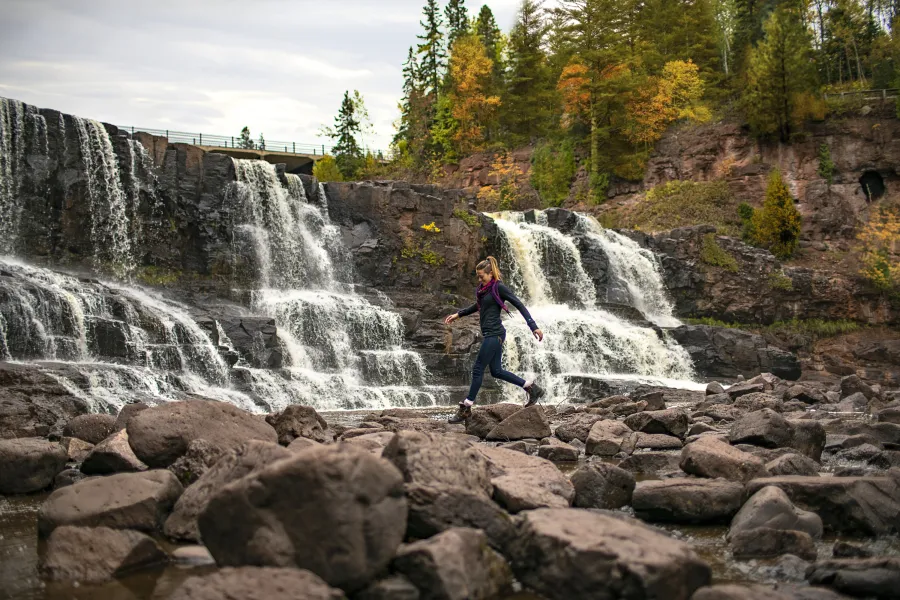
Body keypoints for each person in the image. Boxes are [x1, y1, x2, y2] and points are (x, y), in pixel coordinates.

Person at [443, 256, 545, 424]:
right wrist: (458, 314)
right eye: (477, 275)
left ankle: (466, 407)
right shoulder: (483, 291)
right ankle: (531, 387)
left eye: (481, 275)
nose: (479, 278)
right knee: (496, 371)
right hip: (491, 334)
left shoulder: (499, 288)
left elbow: (519, 305)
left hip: (495, 334)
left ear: (491, 274)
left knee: (477, 369)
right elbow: (478, 306)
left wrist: (533, 326)